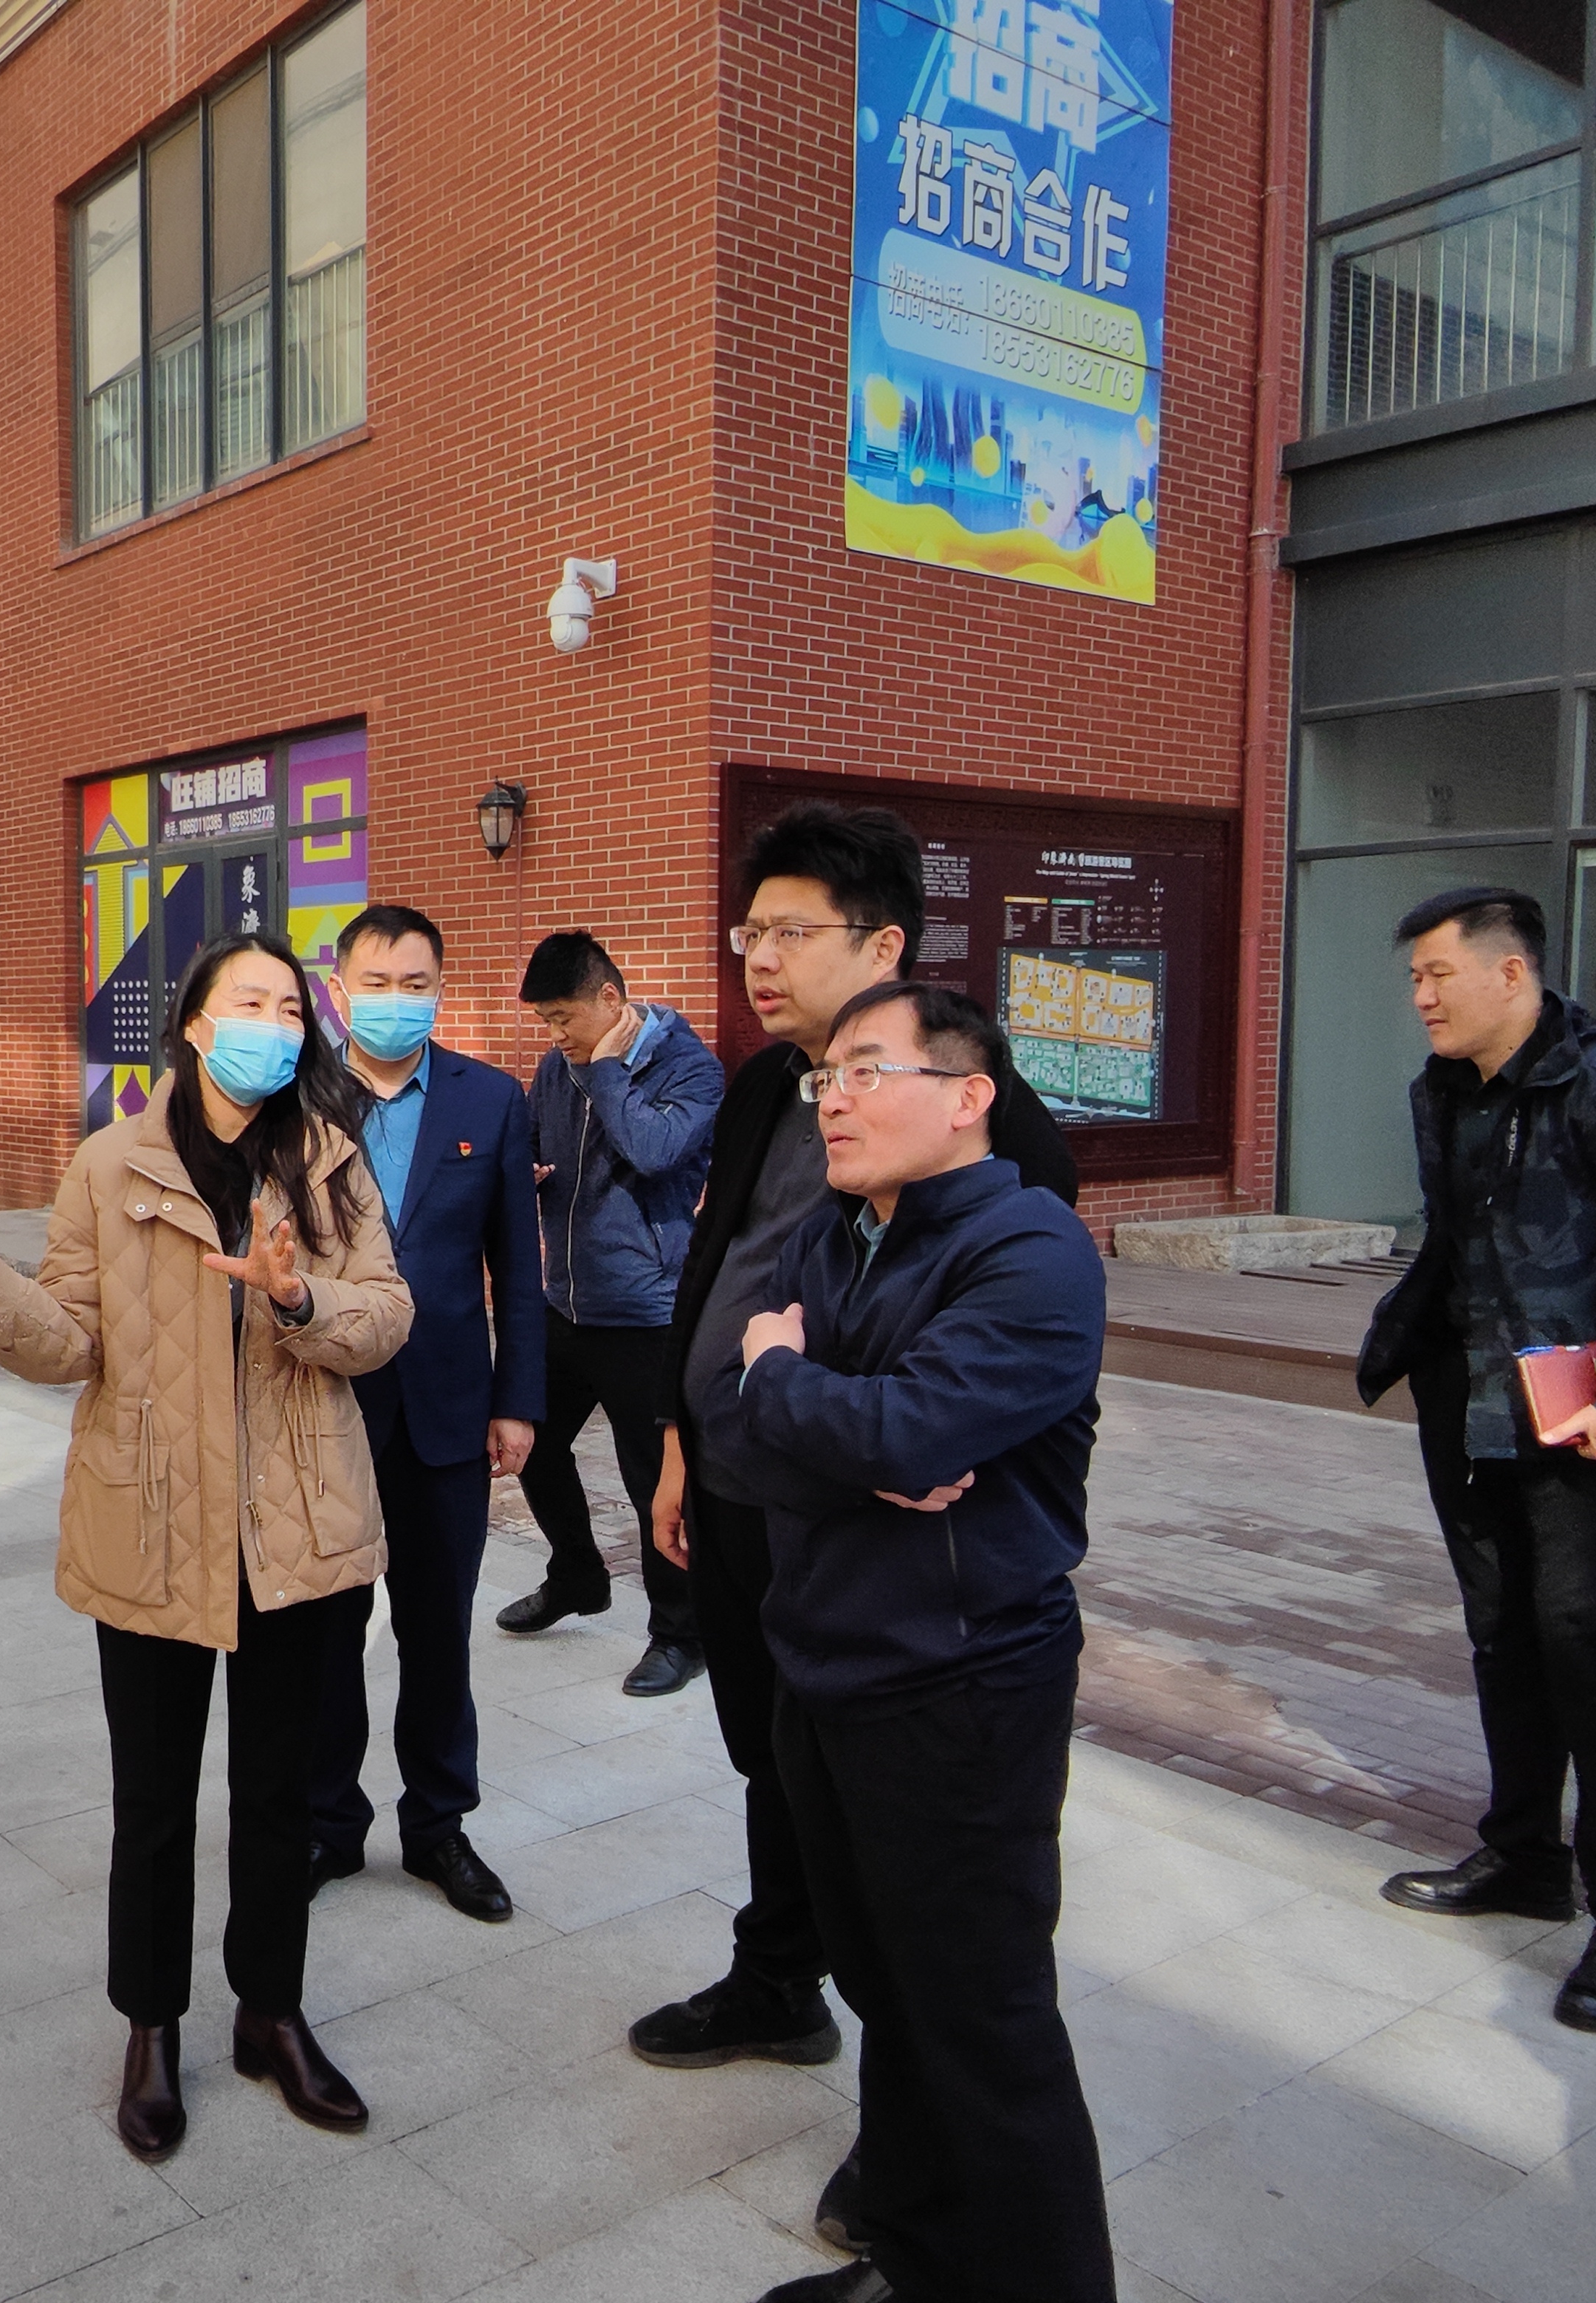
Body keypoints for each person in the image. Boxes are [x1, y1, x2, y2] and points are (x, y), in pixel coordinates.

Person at [0, 931, 413, 2165]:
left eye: (291, 1007)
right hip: (152, 1523)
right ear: (197, 1027)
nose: (275, 1024)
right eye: (251, 1003)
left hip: (299, 1528)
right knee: (153, 1805)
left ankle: (271, 2016)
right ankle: (152, 2029)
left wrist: (294, 1297)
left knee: (279, 1795)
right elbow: (70, 1342)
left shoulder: (327, 1158)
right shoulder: (110, 1165)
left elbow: (387, 1318)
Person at [636, 803, 1079, 2256]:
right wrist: (701, 1428)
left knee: (959, 1979)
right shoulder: (776, 1098)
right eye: (747, 931)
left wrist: (828, 1407)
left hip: (929, 1618)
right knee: (796, 1787)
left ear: (883, 945)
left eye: (788, 931)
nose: (756, 957)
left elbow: (930, 1411)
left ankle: (943, 2194)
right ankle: (794, 1999)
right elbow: (728, 1288)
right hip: (776, 1527)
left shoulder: (998, 1166)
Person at [735, 980, 1113, 2303]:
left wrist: (790, 1382)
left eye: (867, 1071)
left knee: (982, 2020)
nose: (832, 1100)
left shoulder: (1032, 1252)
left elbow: (898, 1429)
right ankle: (914, 2253)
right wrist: (834, 1423)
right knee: (887, 1989)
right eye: (823, 1078)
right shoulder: (829, 1237)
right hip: (823, 1660)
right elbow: (750, 1439)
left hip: (961, 1684)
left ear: (968, 1097)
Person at [1358, 887, 1596, 2033]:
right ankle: (1524, 1858)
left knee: (1589, 1651)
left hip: (1589, 1418)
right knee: (1505, 1638)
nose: (1421, 998)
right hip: (1470, 1407)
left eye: (1438, 975)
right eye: (1413, 980)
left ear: (1510, 973)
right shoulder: (1446, 1088)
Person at [306, 903, 546, 1922]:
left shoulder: (489, 1099)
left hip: (447, 1410)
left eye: (416, 985)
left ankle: (438, 1825)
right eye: (376, 983)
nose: (395, 1002)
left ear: (441, 989)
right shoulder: (296, 1095)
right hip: (324, 1406)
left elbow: (518, 1268)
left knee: (438, 1632)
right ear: (339, 989)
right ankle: (326, 1820)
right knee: (326, 1631)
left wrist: (518, 1401)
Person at [501, 929, 723, 1696]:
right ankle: (576, 1575)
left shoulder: (690, 1068)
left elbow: (654, 1150)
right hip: (565, 1300)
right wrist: (524, 1176)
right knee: (528, 1441)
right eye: (545, 1022)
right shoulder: (556, 1066)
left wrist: (603, 1068)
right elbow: (531, 1144)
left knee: (650, 1478)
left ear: (609, 998)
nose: (556, 1035)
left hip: (647, 1311)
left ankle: (680, 1634)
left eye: (564, 1017)